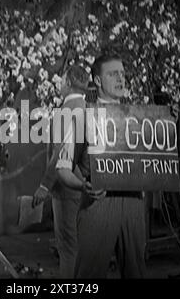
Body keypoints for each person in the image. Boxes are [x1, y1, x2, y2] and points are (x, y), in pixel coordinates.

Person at [56, 55, 147, 278]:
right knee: (88, 277)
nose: (120, 79)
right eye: (112, 74)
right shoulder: (82, 117)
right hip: (97, 204)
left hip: (134, 205)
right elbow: (62, 168)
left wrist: (168, 122)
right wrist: (82, 186)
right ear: (97, 80)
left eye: (123, 74)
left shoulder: (140, 117)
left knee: (136, 273)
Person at [32, 65, 90, 278]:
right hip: (85, 184)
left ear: (67, 83)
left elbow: (59, 154)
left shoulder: (64, 112)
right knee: (80, 244)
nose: (59, 83)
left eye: (62, 80)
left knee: (67, 246)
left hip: (66, 188)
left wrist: (44, 185)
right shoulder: (89, 109)